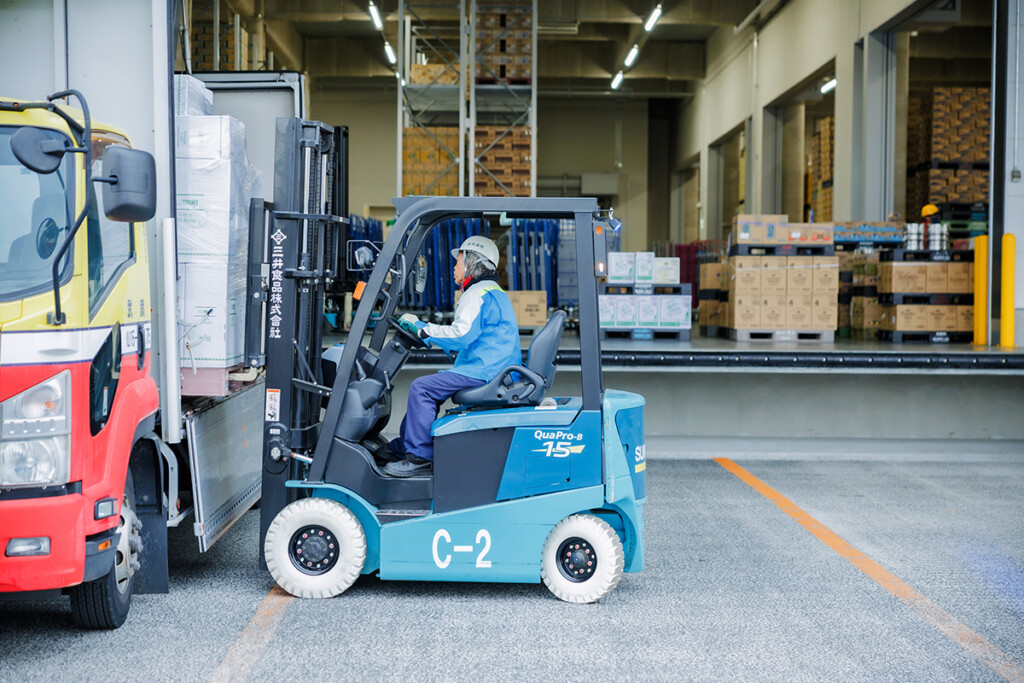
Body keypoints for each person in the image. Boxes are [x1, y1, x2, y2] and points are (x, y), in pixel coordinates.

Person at [384, 235, 522, 477]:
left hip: (486, 371)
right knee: (428, 388)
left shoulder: (477, 292)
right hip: (493, 367)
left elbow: (462, 334)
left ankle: (418, 457)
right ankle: (405, 446)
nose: (454, 267)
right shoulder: (492, 291)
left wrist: (423, 328)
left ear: (472, 262)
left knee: (422, 389)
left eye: (458, 261)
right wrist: (427, 336)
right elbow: (474, 338)